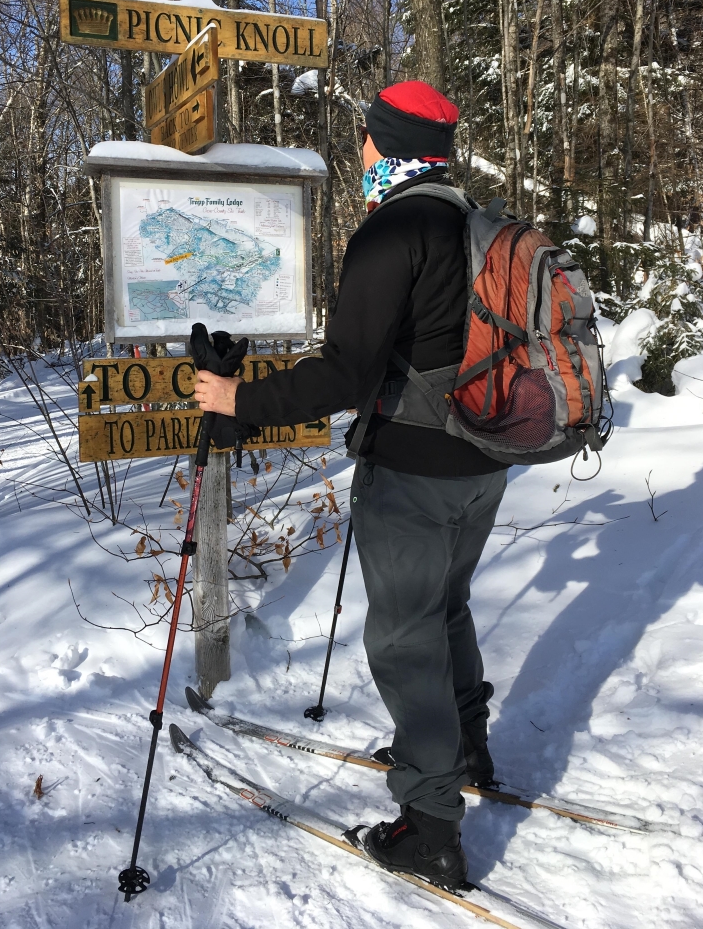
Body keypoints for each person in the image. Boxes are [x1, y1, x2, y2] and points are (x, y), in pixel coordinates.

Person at [193, 80, 510, 890]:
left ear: (384, 145)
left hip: (415, 465)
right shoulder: (475, 222)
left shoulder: (393, 229)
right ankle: (464, 745)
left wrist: (237, 400)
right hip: (484, 457)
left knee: (404, 636)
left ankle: (430, 826)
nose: (359, 154)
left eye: (365, 141)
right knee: (447, 608)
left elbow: (343, 373)